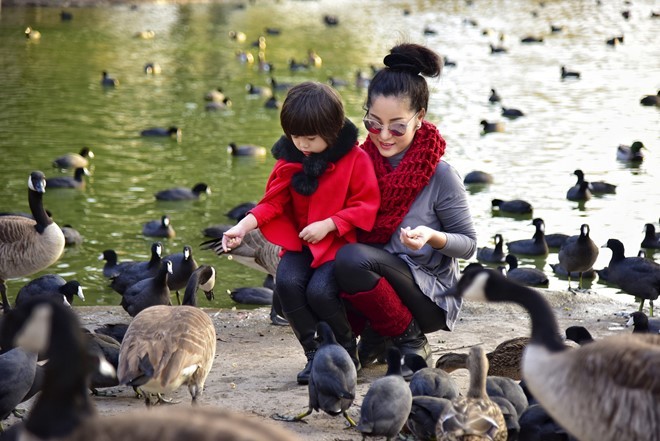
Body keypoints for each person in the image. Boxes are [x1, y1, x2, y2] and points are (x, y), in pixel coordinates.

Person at [221, 81, 380, 384]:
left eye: (310, 138)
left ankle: (346, 352)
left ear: (332, 132)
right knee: (287, 283)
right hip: (302, 246)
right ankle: (314, 352)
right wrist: (241, 226)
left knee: (320, 291)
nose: (303, 145)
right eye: (295, 137)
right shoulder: (290, 160)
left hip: (338, 245)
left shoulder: (356, 160)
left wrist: (330, 224)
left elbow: (366, 205)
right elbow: (273, 203)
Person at [334, 43, 477, 373]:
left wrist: (432, 236)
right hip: (377, 285)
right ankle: (352, 345)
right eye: (373, 123)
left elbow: (469, 246)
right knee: (320, 268)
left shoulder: (441, 175)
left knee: (353, 258)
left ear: (419, 118)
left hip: (428, 297)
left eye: (397, 126)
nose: (383, 136)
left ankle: (411, 340)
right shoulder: (357, 165)